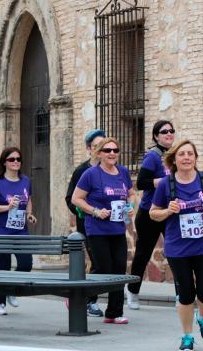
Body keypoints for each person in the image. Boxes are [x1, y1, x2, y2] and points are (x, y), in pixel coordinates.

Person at [149, 140, 203, 350]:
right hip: (178, 247)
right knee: (186, 294)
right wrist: (168, 210)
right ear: (174, 159)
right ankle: (187, 336)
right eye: (182, 154)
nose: (187, 157)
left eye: (190, 154)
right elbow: (153, 213)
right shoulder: (166, 184)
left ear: (195, 158)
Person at [71, 137, 136, 324]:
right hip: (97, 230)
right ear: (99, 153)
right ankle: (77, 295)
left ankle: (114, 313)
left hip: (117, 229)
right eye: (107, 150)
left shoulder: (123, 172)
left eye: (115, 150)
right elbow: (76, 198)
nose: (112, 153)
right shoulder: (91, 174)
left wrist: (130, 206)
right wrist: (96, 211)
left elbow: (131, 194)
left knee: (118, 271)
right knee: (103, 269)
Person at [127, 120, 175, 309]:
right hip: (149, 213)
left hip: (170, 211)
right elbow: (141, 182)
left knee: (176, 253)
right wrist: (164, 181)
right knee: (143, 254)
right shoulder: (152, 157)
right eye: (164, 132)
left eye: (171, 131)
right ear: (156, 136)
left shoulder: (175, 155)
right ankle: (132, 292)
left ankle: (183, 296)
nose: (169, 134)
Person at [0, 147, 37, 315]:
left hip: (20, 230)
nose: (16, 162)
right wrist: (7, 207)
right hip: (0, 230)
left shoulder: (25, 180)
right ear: (4, 162)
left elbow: (28, 199)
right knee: (4, 267)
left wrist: (30, 214)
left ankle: (10, 289)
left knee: (26, 264)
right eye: (12, 159)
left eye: (18, 159)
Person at [65, 129, 106, 317]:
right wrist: (86, 213)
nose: (102, 149)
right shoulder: (81, 171)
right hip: (89, 225)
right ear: (89, 149)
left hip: (110, 225)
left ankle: (84, 296)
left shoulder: (111, 168)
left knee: (106, 265)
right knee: (98, 263)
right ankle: (87, 300)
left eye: (104, 145)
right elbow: (70, 198)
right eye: (97, 145)